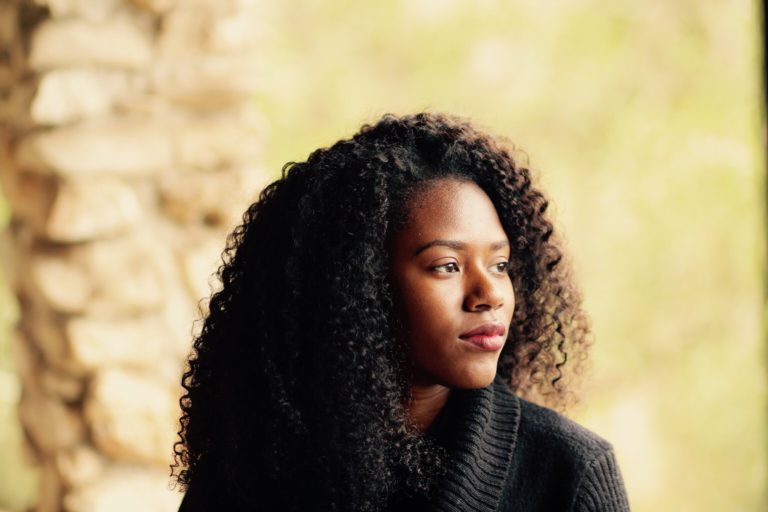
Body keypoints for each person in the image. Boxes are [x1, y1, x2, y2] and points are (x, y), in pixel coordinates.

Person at [171, 112, 631, 511]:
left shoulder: (570, 474)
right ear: (358, 286)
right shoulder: (250, 477)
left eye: (500, 264)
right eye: (447, 266)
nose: (489, 293)